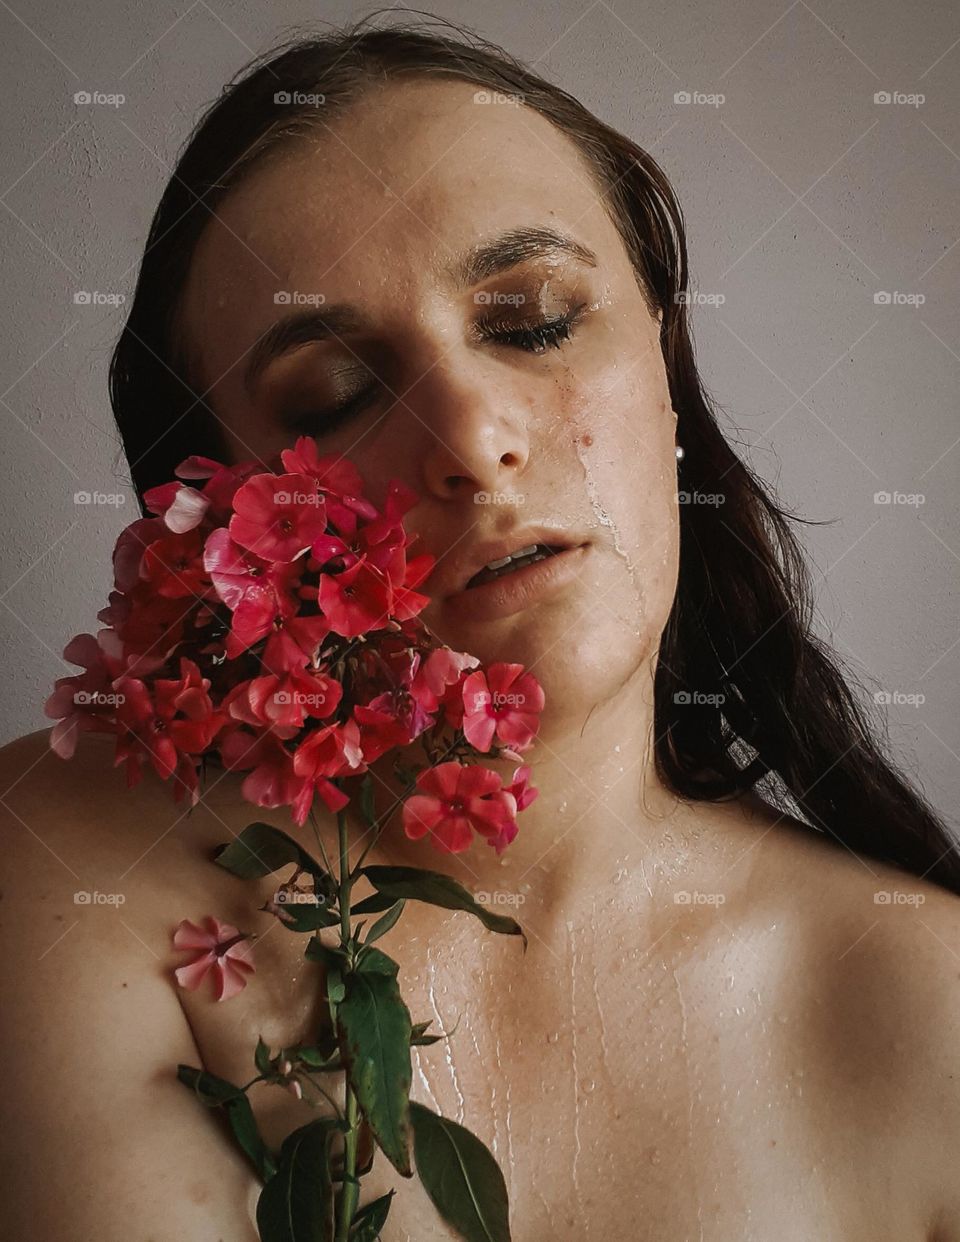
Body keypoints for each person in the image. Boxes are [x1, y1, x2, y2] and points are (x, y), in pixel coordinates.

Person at [3, 15, 959, 1240]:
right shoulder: (56, 875)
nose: (470, 436)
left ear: (667, 369)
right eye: (335, 395)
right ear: (223, 529)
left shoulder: (929, 1006)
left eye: (536, 322)